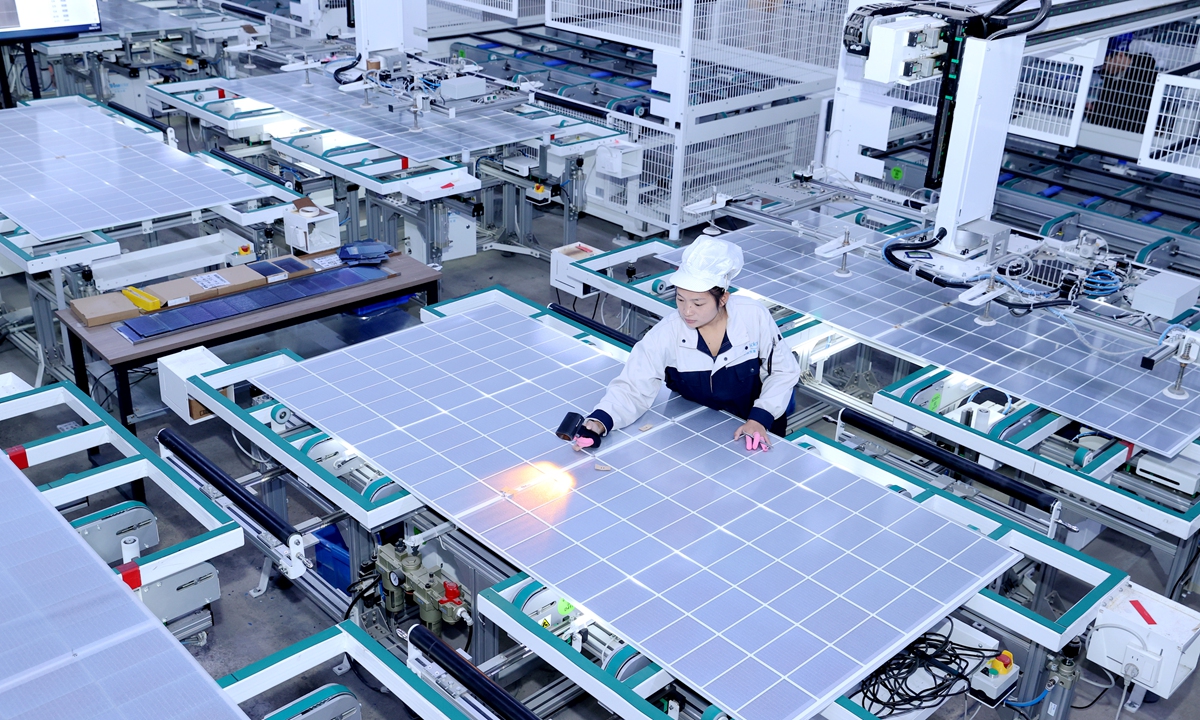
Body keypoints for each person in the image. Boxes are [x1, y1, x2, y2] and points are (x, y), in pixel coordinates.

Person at [572, 236, 800, 451]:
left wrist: (760, 418)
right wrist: (601, 421)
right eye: (680, 300)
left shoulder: (753, 317)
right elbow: (634, 386)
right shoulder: (667, 333)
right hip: (700, 433)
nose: (687, 311)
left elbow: (782, 371)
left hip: (759, 430)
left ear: (723, 299)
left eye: (698, 303)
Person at [1085, 33, 1159, 135]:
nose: (1104, 68)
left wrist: (1096, 110)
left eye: (1105, 63)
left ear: (1120, 55)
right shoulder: (1112, 78)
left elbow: (1128, 110)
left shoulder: (1144, 75)